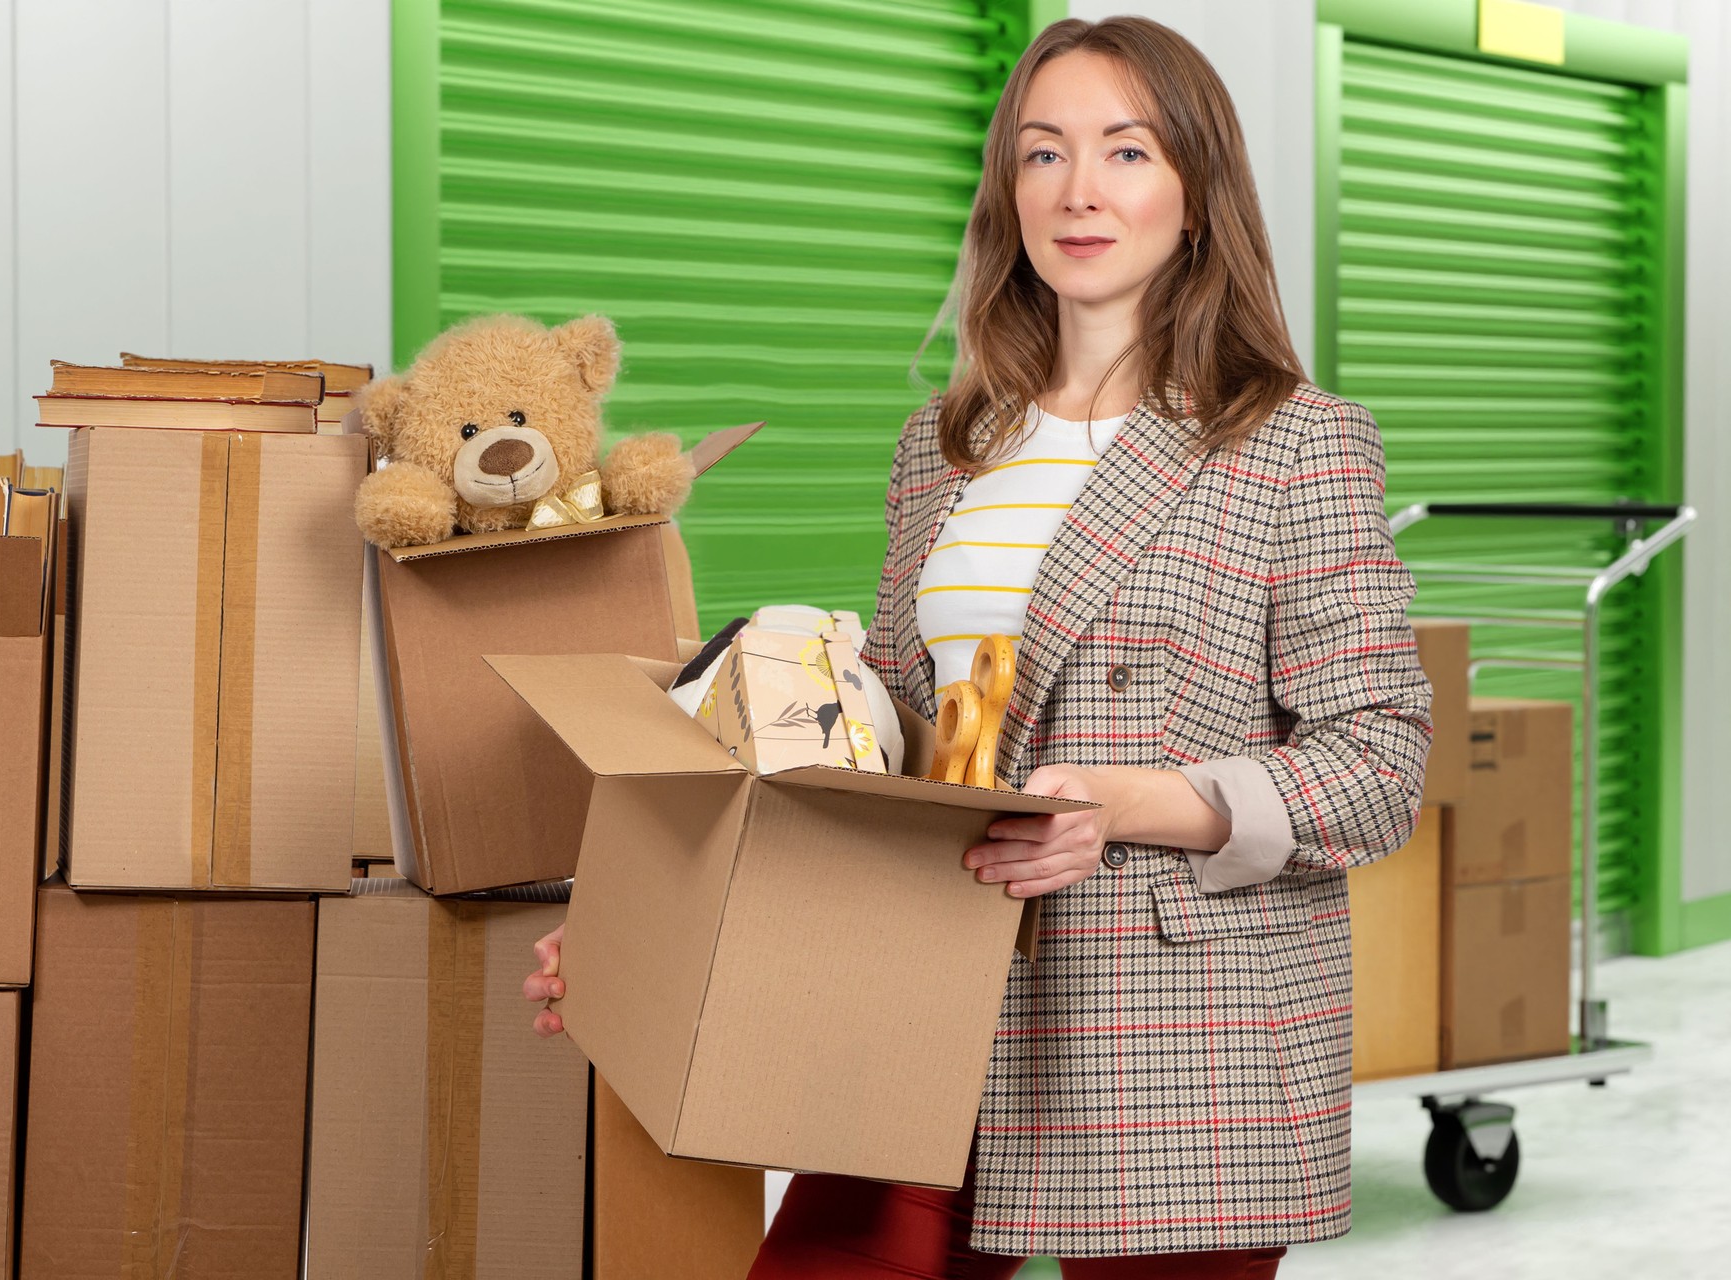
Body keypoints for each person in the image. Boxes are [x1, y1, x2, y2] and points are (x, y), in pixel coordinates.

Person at [525, 15, 1432, 1278]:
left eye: (1126, 151)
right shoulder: (947, 448)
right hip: (931, 985)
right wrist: (655, 922)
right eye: (1042, 152)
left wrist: (1124, 804)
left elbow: (1380, 761)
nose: (1078, 190)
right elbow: (892, 748)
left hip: (1171, 1027)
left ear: (1198, 192)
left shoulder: (1291, 441)